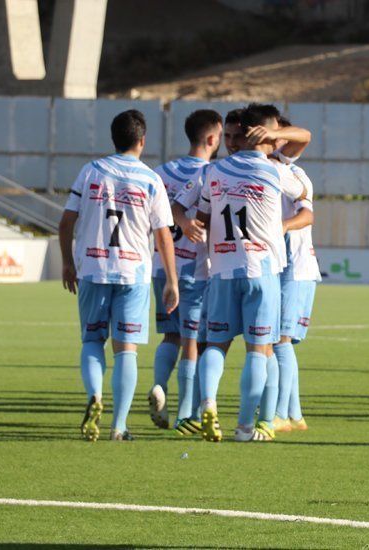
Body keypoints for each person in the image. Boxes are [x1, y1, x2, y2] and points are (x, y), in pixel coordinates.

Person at [58, 109, 179, 442]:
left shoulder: (92, 172)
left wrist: (68, 263)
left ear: (114, 139)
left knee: (92, 341)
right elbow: (164, 234)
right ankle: (119, 426)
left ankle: (95, 395)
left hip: (94, 270)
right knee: (126, 351)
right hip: (133, 274)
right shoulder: (151, 179)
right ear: (142, 140)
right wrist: (171, 280)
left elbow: (66, 222)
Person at [193, 103, 306, 442]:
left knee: (215, 344)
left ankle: (208, 403)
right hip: (262, 269)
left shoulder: (214, 172)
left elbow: (203, 216)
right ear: (264, 134)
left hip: (223, 268)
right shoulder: (275, 171)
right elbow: (302, 192)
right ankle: (244, 427)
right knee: (258, 350)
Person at [147, 109, 222, 435]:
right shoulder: (213, 173)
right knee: (192, 342)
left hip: (161, 265)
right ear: (210, 138)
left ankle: (160, 385)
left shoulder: (160, 172)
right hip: (194, 269)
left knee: (170, 336)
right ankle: (185, 415)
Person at [252, 115, 318, 434]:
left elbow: (307, 213)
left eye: (274, 132)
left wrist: (280, 228)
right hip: (283, 264)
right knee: (278, 340)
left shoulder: (288, 171)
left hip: (296, 265)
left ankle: (279, 412)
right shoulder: (259, 169)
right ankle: (294, 413)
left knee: (280, 340)